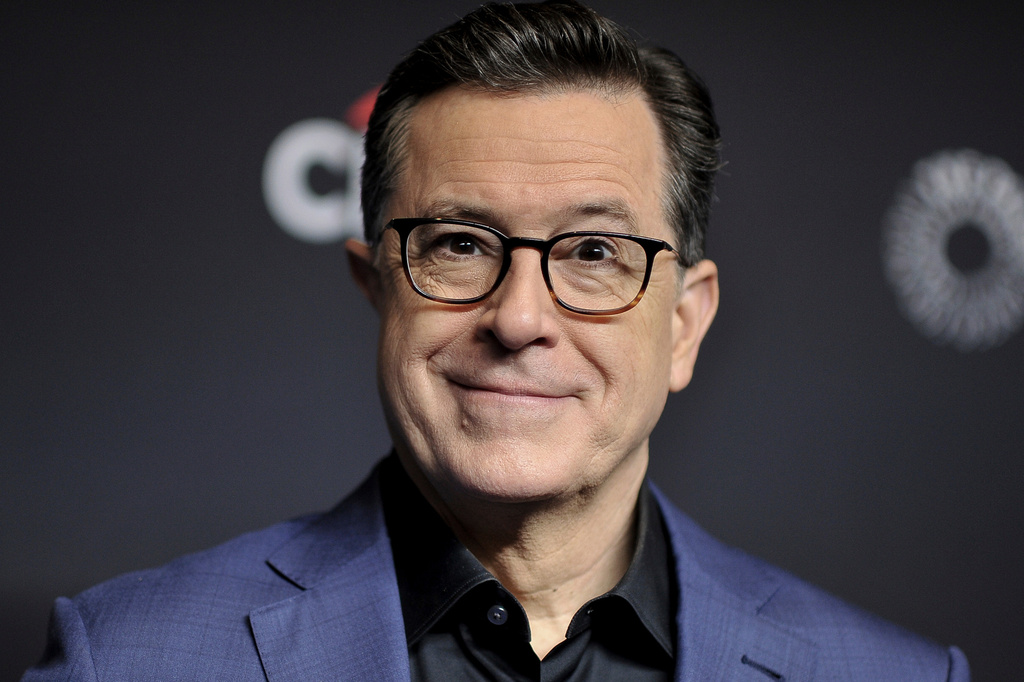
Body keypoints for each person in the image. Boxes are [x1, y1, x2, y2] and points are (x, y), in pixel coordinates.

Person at [24, 2, 969, 680]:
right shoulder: (128, 658)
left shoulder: (900, 675)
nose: (519, 319)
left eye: (594, 251)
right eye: (460, 245)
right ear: (375, 290)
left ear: (683, 325)